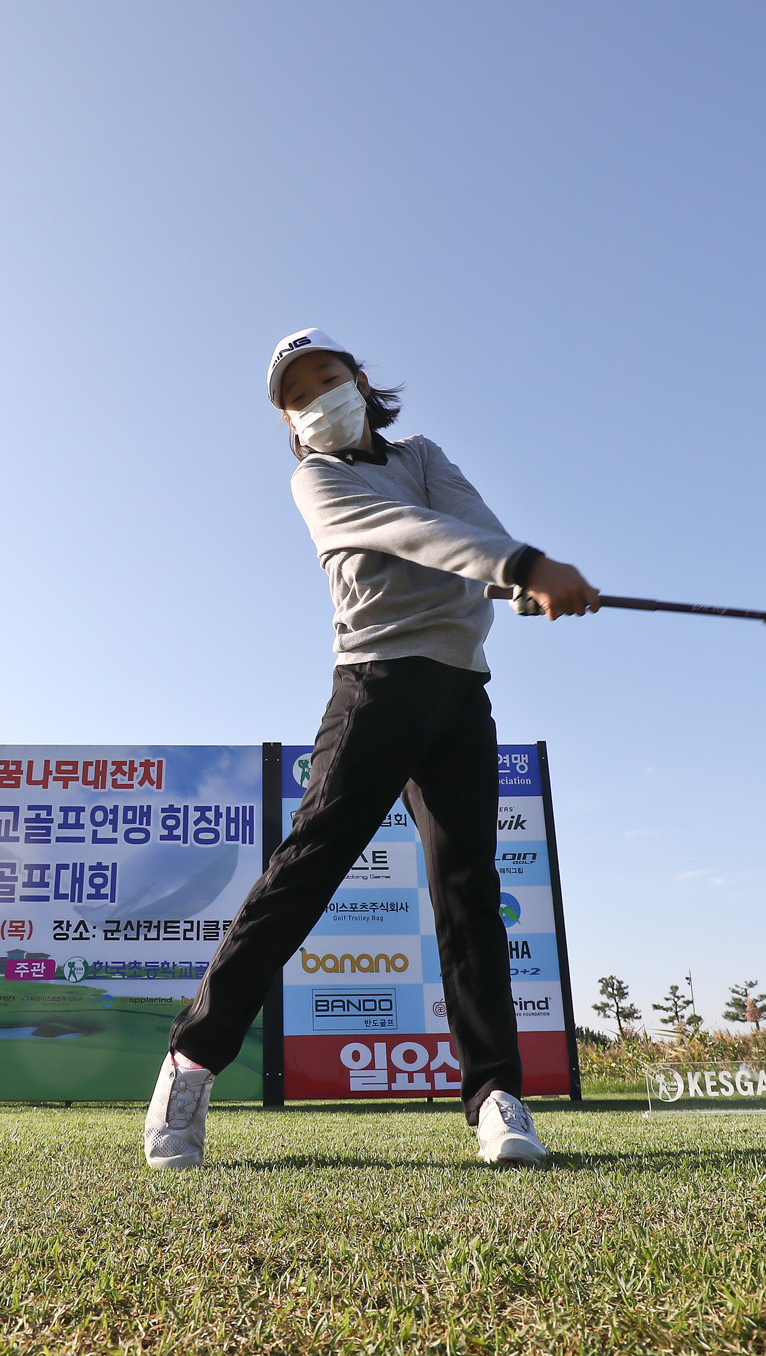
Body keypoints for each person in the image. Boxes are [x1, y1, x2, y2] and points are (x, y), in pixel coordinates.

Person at [143, 329, 600, 1169]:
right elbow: (411, 532)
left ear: (359, 379)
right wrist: (528, 564)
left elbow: (468, 525)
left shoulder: (421, 452)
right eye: (297, 394)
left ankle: (497, 1096)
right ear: (288, 418)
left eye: (328, 377)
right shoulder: (315, 481)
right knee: (304, 872)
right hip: (376, 688)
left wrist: (520, 583)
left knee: (470, 891)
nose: (317, 397)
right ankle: (190, 1063)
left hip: (461, 691)